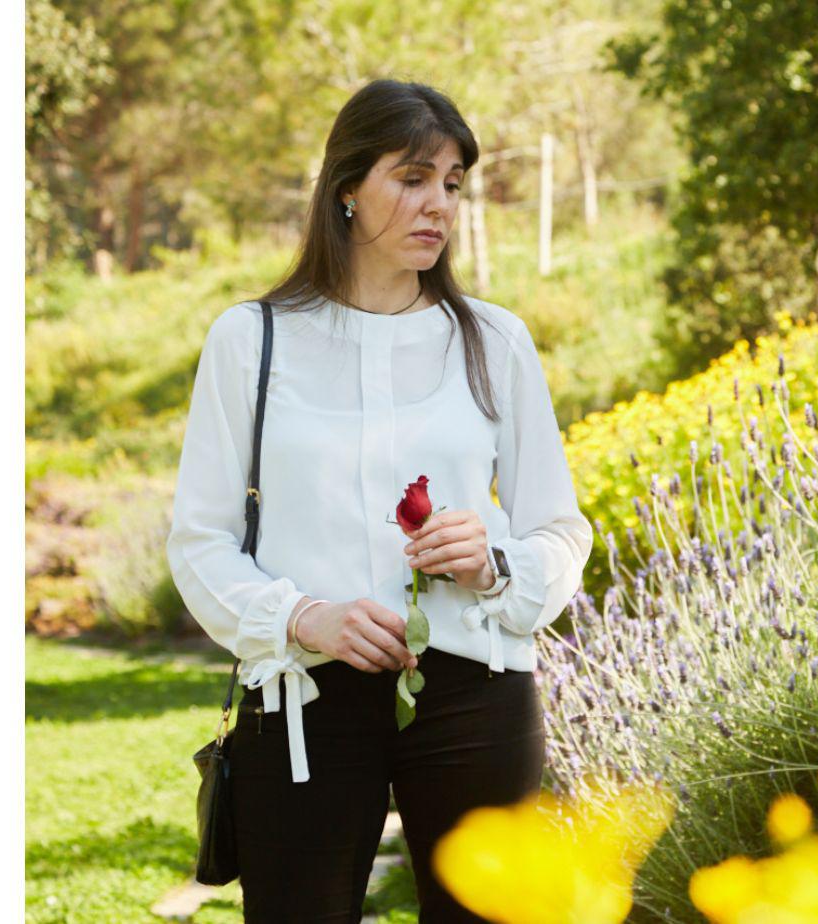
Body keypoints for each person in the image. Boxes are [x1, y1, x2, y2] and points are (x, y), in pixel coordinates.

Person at [165, 78, 593, 923]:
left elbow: (559, 529)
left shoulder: (495, 341)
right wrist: (301, 617)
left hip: (476, 695)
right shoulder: (251, 339)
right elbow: (199, 540)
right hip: (304, 699)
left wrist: (495, 565)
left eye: (453, 184)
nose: (439, 204)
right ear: (347, 190)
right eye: (413, 177)